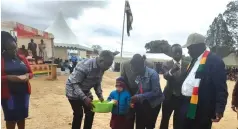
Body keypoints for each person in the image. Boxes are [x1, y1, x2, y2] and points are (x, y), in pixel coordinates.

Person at [180, 33, 228, 129]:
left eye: (190, 48)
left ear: (199, 46)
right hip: (186, 104)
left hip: (202, 108)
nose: (188, 51)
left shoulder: (215, 61)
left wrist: (219, 109)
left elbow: (221, 88)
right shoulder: (193, 60)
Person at [65, 50, 114, 129]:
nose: (108, 68)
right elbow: (75, 84)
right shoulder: (85, 66)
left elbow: (97, 82)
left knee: (90, 111)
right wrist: (84, 98)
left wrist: (99, 95)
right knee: (78, 114)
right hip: (73, 90)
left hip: (86, 90)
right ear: (101, 60)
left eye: (110, 65)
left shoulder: (102, 68)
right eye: (107, 65)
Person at [1, 31, 33, 129]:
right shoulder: (2, 60)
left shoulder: (22, 58)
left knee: (22, 117)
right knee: (11, 119)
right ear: (4, 48)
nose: (14, 50)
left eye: (15, 47)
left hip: (23, 94)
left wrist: (27, 76)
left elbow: (31, 72)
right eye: (10, 49)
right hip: (9, 95)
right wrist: (9, 78)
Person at [122, 54, 164, 129]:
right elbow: (139, 89)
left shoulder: (153, 74)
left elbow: (156, 91)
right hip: (143, 102)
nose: (133, 71)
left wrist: (138, 96)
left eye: (134, 69)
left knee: (149, 125)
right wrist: (133, 98)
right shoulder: (138, 75)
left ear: (141, 66)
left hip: (154, 104)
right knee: (139, 124)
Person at [160, 44, 189, 129]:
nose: (177, 54)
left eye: (179, 52)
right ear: (171, 53)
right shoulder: (166, 64)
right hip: (168, 97)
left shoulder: (187, 64)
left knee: (179, 121)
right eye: (175, 52)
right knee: (165, 120)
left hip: (181, 98)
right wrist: (172, 70)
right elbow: (166, 76)